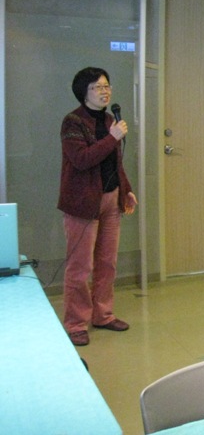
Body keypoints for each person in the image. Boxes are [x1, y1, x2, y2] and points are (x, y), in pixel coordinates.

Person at [59, 67, 137, 347]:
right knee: (80, 267)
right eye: (98, 87)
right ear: (84, 92)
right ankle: (76, 323)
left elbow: (115, 162)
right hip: (83, 203)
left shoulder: (109, 120)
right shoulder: (73, 122)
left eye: (107, 86)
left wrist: (126, 190)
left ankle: (103, 314)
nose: (105, 92)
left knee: (107, 262)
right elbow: (81, 159)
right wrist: (112, 137)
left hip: (110, 199)